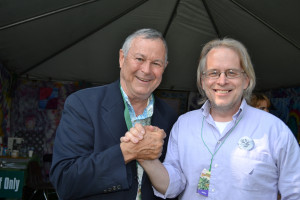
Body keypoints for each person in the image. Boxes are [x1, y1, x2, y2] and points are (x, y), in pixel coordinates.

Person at [121, 38, 300, 199]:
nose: (222, 81)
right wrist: (144, 156)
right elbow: (173, 187)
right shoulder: (184, 125)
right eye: (213, 73)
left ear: (246, 80)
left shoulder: (274, 130)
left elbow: (295, 191)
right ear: (202, 81)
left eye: (231, 72)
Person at [50, 28, 178, 200]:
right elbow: (65, 181)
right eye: (139, 59)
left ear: (165, 67)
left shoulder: (171, 117)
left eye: (156, 63)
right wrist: (128, 151)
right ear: (122, 58)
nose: (147, 70)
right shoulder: (83, 104)